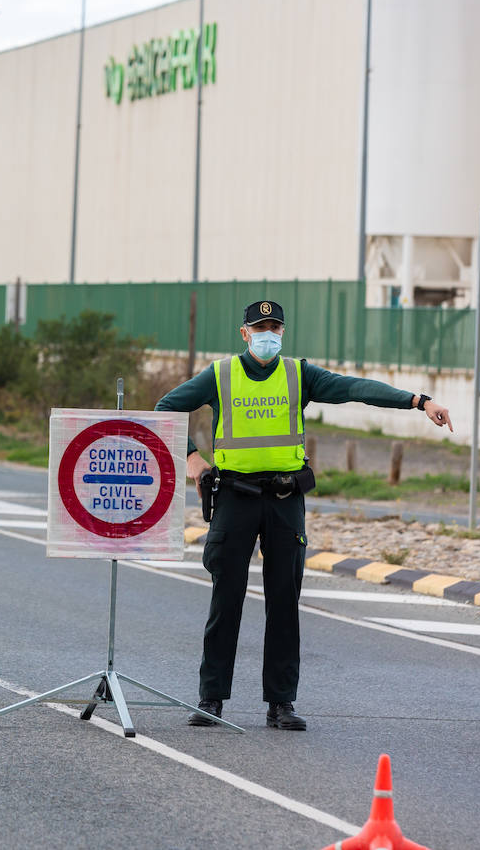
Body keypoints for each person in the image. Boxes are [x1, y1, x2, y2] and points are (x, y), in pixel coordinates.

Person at [154, 300, 453, 730]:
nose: (267, 334)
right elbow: (165, 408)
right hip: (235, 498)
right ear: (244, 334)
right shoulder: (220, 375)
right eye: (259, 327)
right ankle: (211, 699)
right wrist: (191, 459)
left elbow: (354, 388)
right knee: (226, 600)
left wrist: (417, 401)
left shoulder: (299, 375)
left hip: (283, 498)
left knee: (284, 602)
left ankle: (281, 703)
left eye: (274, 326)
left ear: (283, 331)